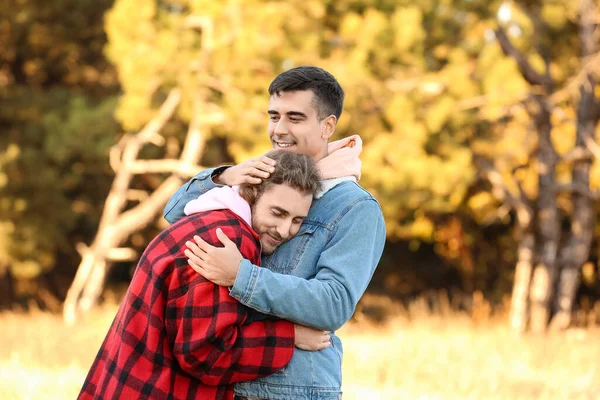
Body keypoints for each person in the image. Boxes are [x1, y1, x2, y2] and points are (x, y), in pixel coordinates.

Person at [164, 66, 386, 400]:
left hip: (291, 388)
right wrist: (225, 176)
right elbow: (175, 214)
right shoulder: (260, 177)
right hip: (225, 378)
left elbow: (334, 304)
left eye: (295, 118)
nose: (279, 130)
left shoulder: (355, 207)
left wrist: (241, 276)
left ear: (328, 126)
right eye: (274, 116)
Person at [79, 150, 329, 400]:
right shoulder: (229, 240)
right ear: (252, 193)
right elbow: (205, 353)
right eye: (278, 213)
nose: (285, 230)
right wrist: (289, 336)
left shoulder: (205, 219)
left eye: (297, 220)